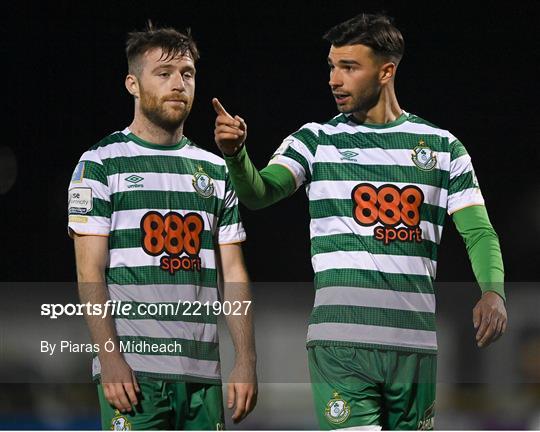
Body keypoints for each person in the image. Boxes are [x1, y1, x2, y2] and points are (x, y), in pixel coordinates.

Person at [213, 13, 506, 430]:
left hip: (414, 346)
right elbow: (260, 194)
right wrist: (237, 155)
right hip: (341, 345)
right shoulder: (315, 140)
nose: (334, 79)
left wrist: (493, 291)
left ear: (386, 71)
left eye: (348, 67)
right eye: (332, 66)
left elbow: (478, 231)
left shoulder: (443, 148)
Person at [68, 23, 257, 430]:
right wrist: (110, 357)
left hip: (203, 375)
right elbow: (89, 271)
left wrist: (245, 358)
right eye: (164, 73)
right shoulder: (100, 164)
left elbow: (234, 273)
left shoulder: (215, 170)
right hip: (135, 375)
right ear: (132, 84)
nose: (178, 84)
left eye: (187, 74)